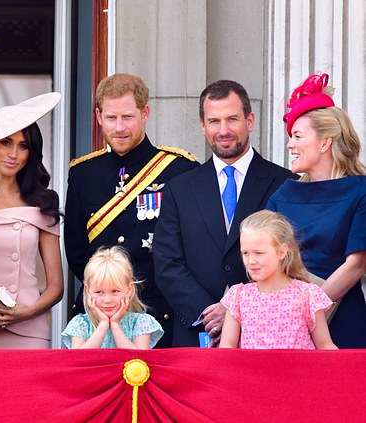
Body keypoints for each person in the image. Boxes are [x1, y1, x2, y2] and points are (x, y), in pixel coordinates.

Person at [153, 80, 294, 347]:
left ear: (249, 121)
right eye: (214, 121)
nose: (224, 130)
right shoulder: (179, 189)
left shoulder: (284, 183)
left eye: (232, 119)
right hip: (197, 333)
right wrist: (209, 311)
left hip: (267, 333)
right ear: (202, 125)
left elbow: (291, 259)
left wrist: (236, 310)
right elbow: (167, 264)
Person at [64, 73, 199, 348]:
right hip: (97, 316)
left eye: (128, 117)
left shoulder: (179, 170)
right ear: (99, 117)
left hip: (156, 313)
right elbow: (77, 252)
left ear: (145, 113)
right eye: (111, 118)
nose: (119, 127)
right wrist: (107, 296)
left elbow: (189, 249)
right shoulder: (83, 174)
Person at [266, 72, 366, 348]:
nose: (289, 144)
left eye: (297, 136)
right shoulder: (282, 195)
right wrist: (294, 315)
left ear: (325, 142)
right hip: (286, 321)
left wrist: (310, 313)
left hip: (343, 320)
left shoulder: (361, 190)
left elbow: (356, 264)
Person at [0, 93, 64, 348]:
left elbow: (56, 285)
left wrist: (27, 312)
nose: (14, 153)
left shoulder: (42, 202)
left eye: (23, 145)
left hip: (27, 333)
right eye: (6, 142)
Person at [219, 210, 337, 349]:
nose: (251, 261)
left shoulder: (307, 295)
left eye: (258, 253)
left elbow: (325, 345)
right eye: (245, 253)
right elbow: (227, 347)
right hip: (252, 371)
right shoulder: (238, 296)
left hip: (298, 371)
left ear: (282, 252)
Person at [61, 246, 163, 349]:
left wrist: (115, 325)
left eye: (115, 291)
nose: (107, 300)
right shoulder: (80, 324)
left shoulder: (140, 323)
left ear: (129, 290)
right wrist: (103, 325)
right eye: (99, 292)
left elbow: (139, 358)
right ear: (87, 291)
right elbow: (79, 359)